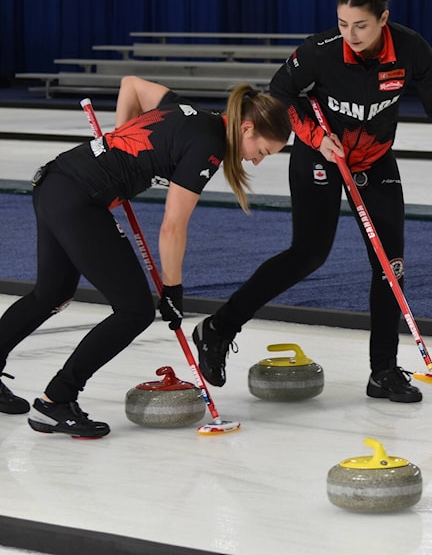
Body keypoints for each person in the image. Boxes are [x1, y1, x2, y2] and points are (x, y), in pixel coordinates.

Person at [191, 0, 432, 404]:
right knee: (308, 254)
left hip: (374, 158)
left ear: (383, 19)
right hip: (321, 154)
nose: (350, 35)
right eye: (343, 24)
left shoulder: (411, 49)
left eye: (360, 26)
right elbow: (281, 93)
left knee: (391, 267)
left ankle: (382, 371)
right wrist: (314, 136)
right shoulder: (321, 50)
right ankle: (218, 329)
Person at [0, 76, 291, 437]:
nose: (257, 161)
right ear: (246, 127)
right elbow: (172, 226)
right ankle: (56, 401)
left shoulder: (189, 112)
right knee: (134, 310)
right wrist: (173, 289)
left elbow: (132, 86)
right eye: (261, 151)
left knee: (52, 293)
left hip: (55, 182)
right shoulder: (208, 147)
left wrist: (117, 147)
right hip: (77, 199)